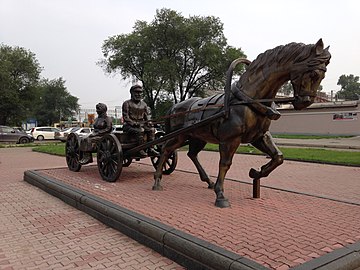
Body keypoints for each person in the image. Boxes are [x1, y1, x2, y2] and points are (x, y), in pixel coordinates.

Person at [122, 85, 158, 157]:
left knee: (152, 130)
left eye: (140, 92)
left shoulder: (144, 104)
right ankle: (140, 149)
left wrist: (149, 122)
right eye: (136, 92)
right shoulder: (127, 103)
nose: (138, 94)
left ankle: (151, 148)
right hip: (128, 126)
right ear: (131, 93)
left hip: (141, 125)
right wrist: (133, 123)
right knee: (140, 130)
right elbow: (125, 117)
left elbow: (147, 116)